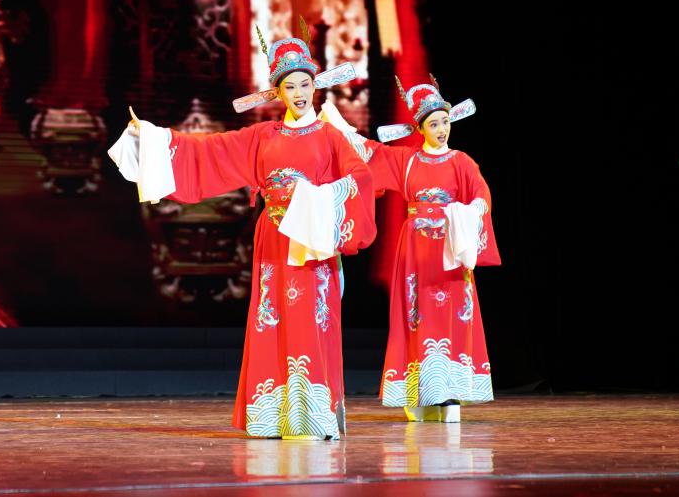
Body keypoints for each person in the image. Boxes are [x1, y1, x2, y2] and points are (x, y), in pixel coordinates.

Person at [109, 30, 376, 439]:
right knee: (272, 318)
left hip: (311, 239)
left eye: (305, 84)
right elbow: (208, 151)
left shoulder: (329, 136)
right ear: (278, 92)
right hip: (274, 237)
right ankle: (273, 415)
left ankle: (310, 414)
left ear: (315, 86)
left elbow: (360, 176)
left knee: (310, 320)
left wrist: (323, 196)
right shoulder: (263, 136)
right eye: (290, 86)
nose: (299, 93)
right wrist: (154, 138)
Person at [323, 76, 501, 423]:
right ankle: (419, 392)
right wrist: (337, 123)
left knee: (452, 315)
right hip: (417, 253)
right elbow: (368, 153)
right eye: (434, 124)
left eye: (445, 121)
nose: (441, 129)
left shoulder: (461, 162)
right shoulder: (406, 161)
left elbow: (481, 194)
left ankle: (449, 392)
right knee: (418, 317)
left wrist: (473, 209)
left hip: (450, 248)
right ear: (420, 128)